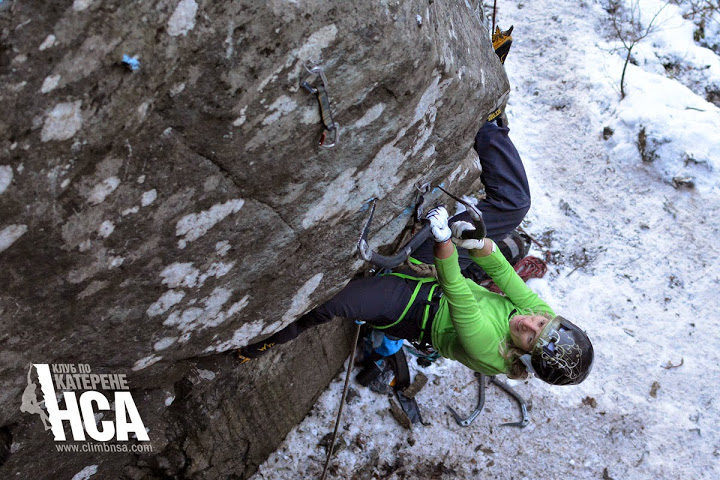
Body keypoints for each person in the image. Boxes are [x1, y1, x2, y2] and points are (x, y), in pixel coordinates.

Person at [239, 122, 594, 386]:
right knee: (515, 205)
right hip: (440, 274)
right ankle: (490, 123)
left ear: (524, 356)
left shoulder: (491, 352)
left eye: (531, 336)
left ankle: (263, 343)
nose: (530, 322)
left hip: (412, 307)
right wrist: (476, 241)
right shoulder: (544, 320)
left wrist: (444, 240)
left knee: (330, 304)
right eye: (542, 323)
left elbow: (457, 292)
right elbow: (504, 275)